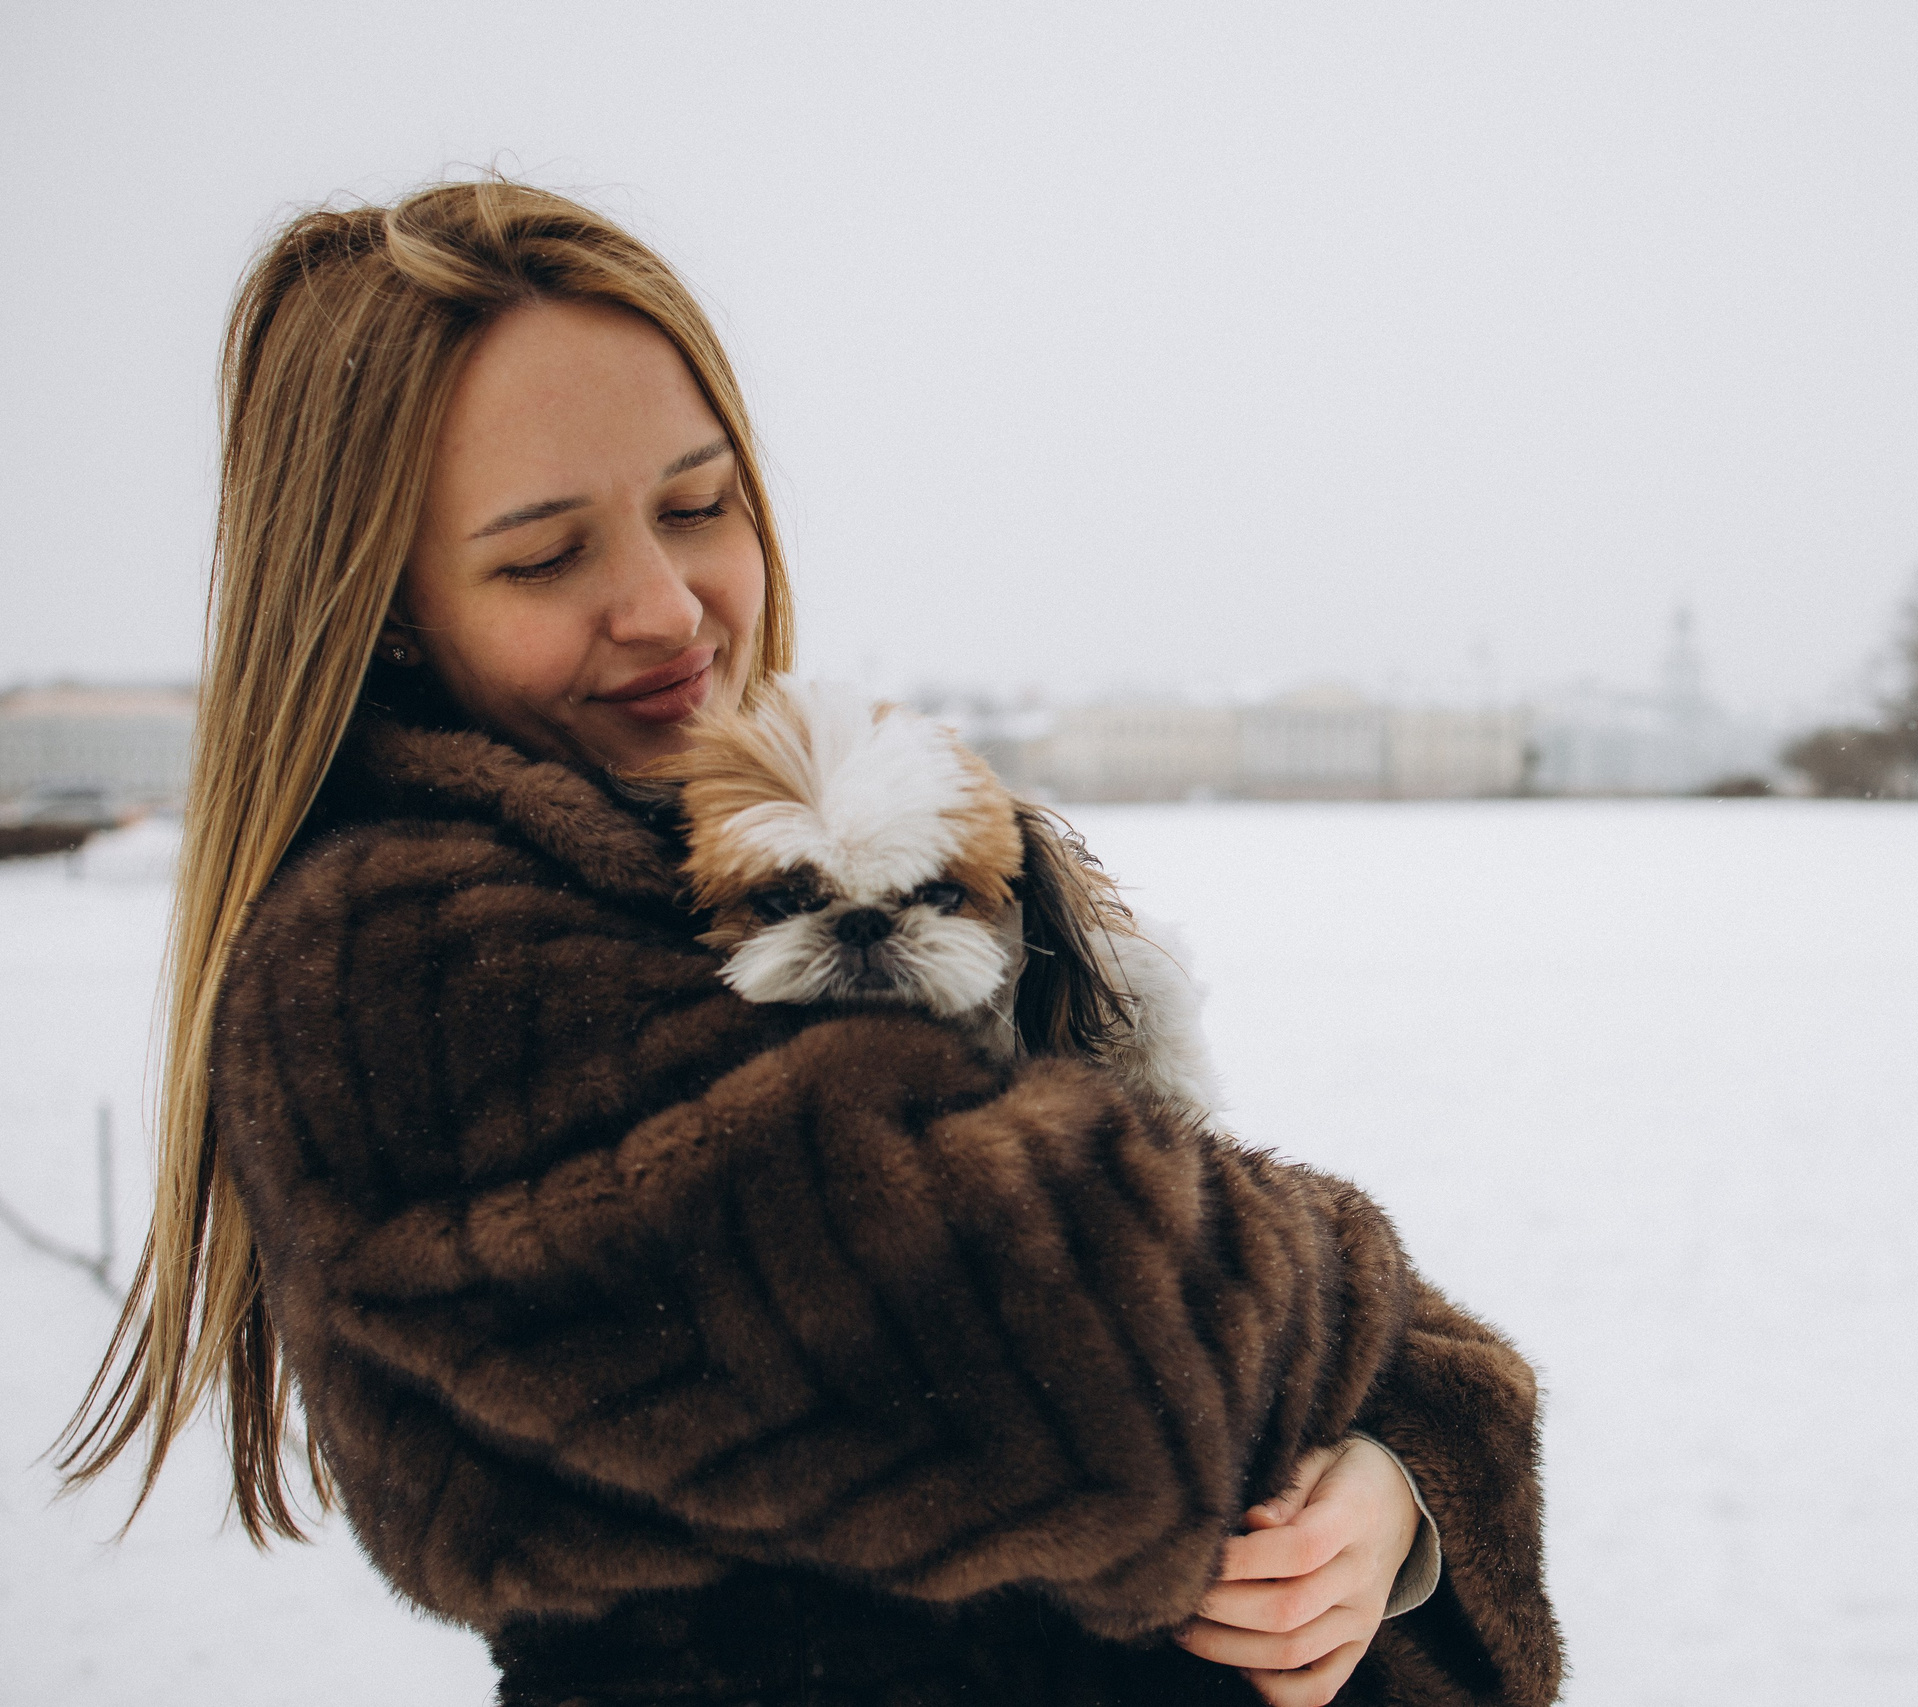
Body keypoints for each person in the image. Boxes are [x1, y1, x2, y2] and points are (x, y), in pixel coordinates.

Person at [60, 179, 1562, 1707]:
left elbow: (1280, 1345)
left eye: (698, 506)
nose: (666, 608)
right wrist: (1365, 1346)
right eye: (544, 555)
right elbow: (1106, 1360)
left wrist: (1400, 1490)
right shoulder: (406, 965)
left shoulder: (682, 851)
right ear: (381, 603)